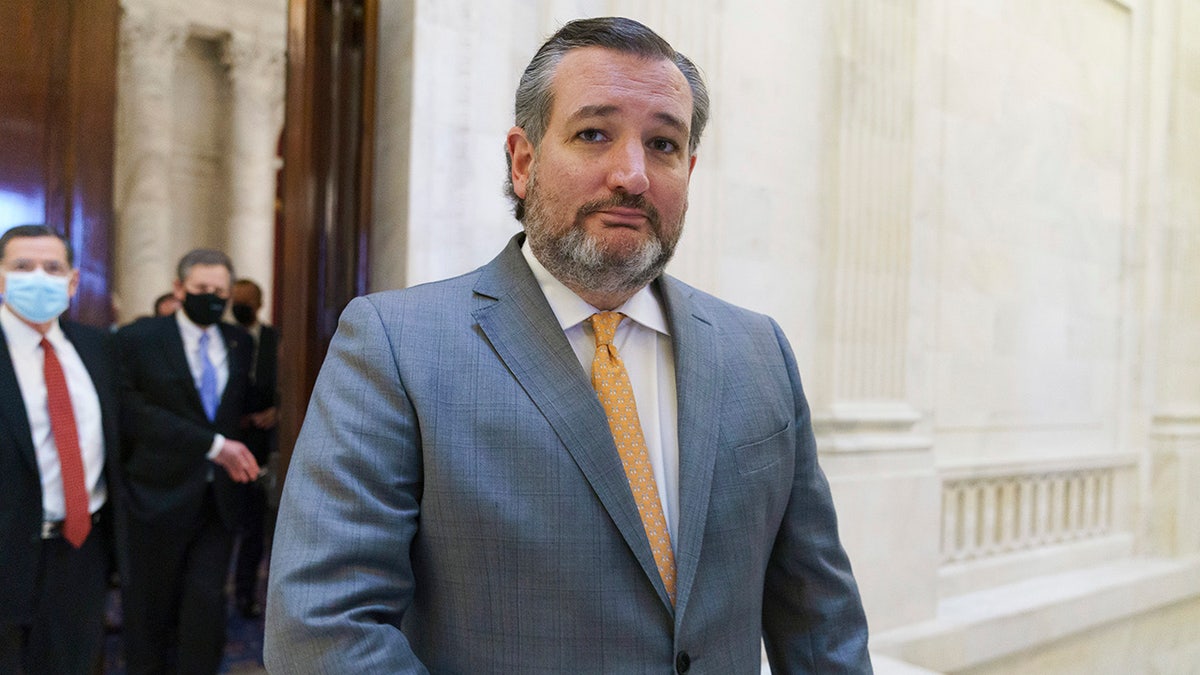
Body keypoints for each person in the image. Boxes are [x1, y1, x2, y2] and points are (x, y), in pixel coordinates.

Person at [265, 16, 871, 673]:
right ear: (524, 161)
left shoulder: (759, 352)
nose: (633, 174)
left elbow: (821, 622)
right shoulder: (394, 347)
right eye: (593, 134)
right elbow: (325, 633)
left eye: (663, 145)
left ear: (689, 171)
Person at [117, 249, 260, 674]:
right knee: (150, 610)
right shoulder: (139, 339)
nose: (211, 297)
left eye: (220, 291)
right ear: (180, 289)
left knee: (205, 607)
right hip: (156, 495)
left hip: (219, 500)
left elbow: (233, 411)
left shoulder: (240, 342)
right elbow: (132, 411)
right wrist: (212, 444)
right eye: (201, 289)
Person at [0, 225, 121, 673]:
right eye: (22, 266)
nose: (38, 276)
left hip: (81, 552)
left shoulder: (97, 347)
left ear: (72, 282)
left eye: (52, 268)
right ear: (1, 279)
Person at [228, 278, 278, 619]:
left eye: (246, 301)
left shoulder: (276, 339)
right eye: (236, 300)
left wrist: (279, 412)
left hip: (264, 446)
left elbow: (289, 384)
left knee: (253, 527)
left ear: (259, 303)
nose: (240, 306)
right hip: (226, 441)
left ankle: (246, 595)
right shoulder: (223, 338)